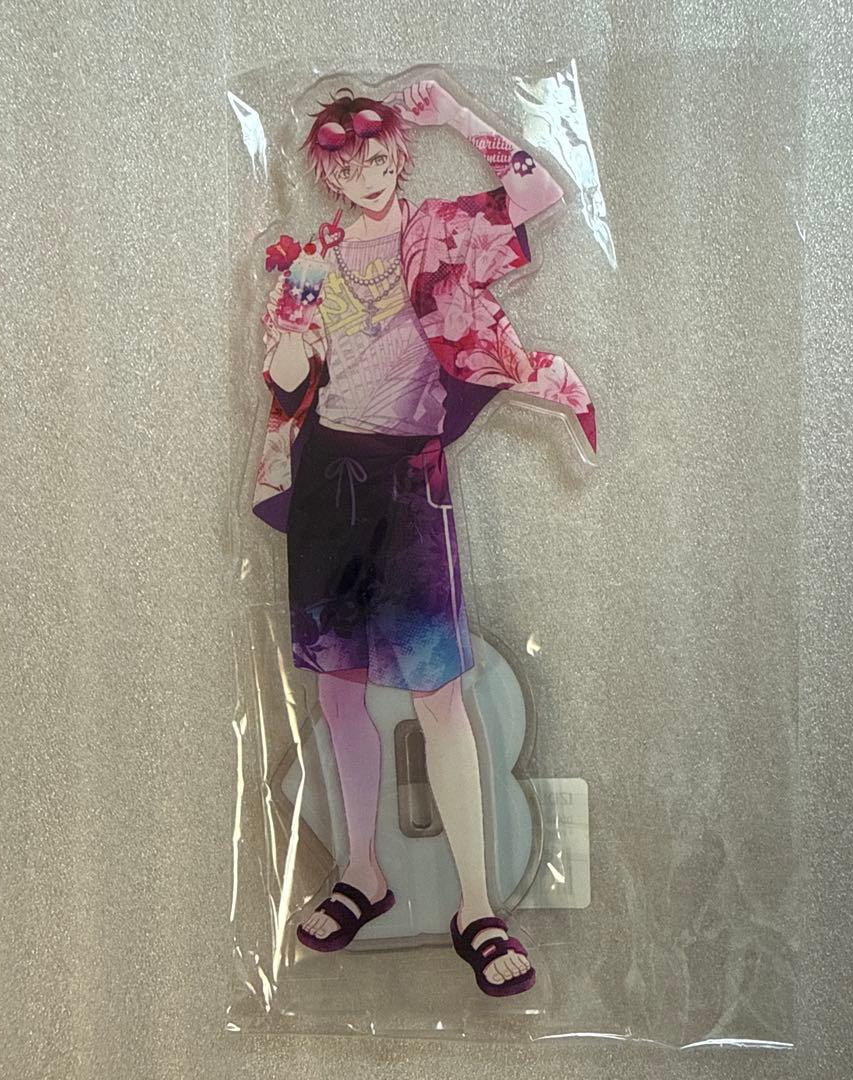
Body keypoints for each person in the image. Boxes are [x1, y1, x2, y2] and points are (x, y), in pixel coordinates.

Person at [253, 79, 596, 997]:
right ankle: (362, 871)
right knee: (337, 694)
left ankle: (477, 905)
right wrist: (286, 354)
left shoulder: (441, 231)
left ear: (397, 156)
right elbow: (286, 378)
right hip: (328, 480)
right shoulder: (314, 260)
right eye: (348, 164)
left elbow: (537, 196)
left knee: (439, 695)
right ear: (328, 175)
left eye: (378, 156)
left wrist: (455, 116)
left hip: (410, 480)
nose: (366, 174)